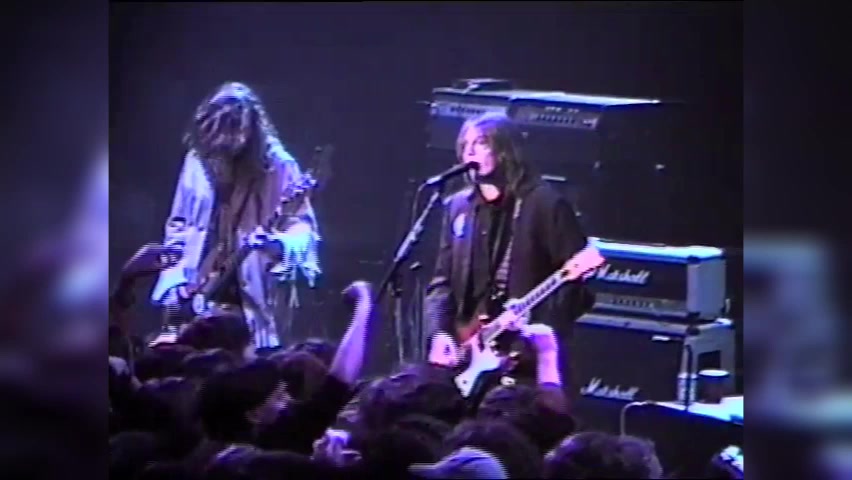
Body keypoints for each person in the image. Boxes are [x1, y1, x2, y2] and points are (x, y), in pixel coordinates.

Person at [424, 112, 603, 397]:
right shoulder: (458, 206)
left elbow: (579, 293)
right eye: (465, 144)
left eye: (481, 143)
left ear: (506, 150)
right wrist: (438, 333)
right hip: (469, 357)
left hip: (526, 367)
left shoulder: (545, 205)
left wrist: (534, 323)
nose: (470, 152)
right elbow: (441, 283)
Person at [150, 81, 321, 349]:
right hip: (196, 295)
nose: (220, 160)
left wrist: (277, 244)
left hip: (252, 302)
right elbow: (179, 225)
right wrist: (174, 282)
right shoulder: (196, 159)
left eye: (229, 151)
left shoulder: (278, 165)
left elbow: (303, 228)